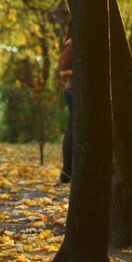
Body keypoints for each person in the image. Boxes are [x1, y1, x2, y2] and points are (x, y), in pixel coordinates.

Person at [58, 36, 74, 184]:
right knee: (72, 130)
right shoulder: (72, 44)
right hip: (73, 92)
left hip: (87, 94)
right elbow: (63, 71)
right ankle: (67, 172)